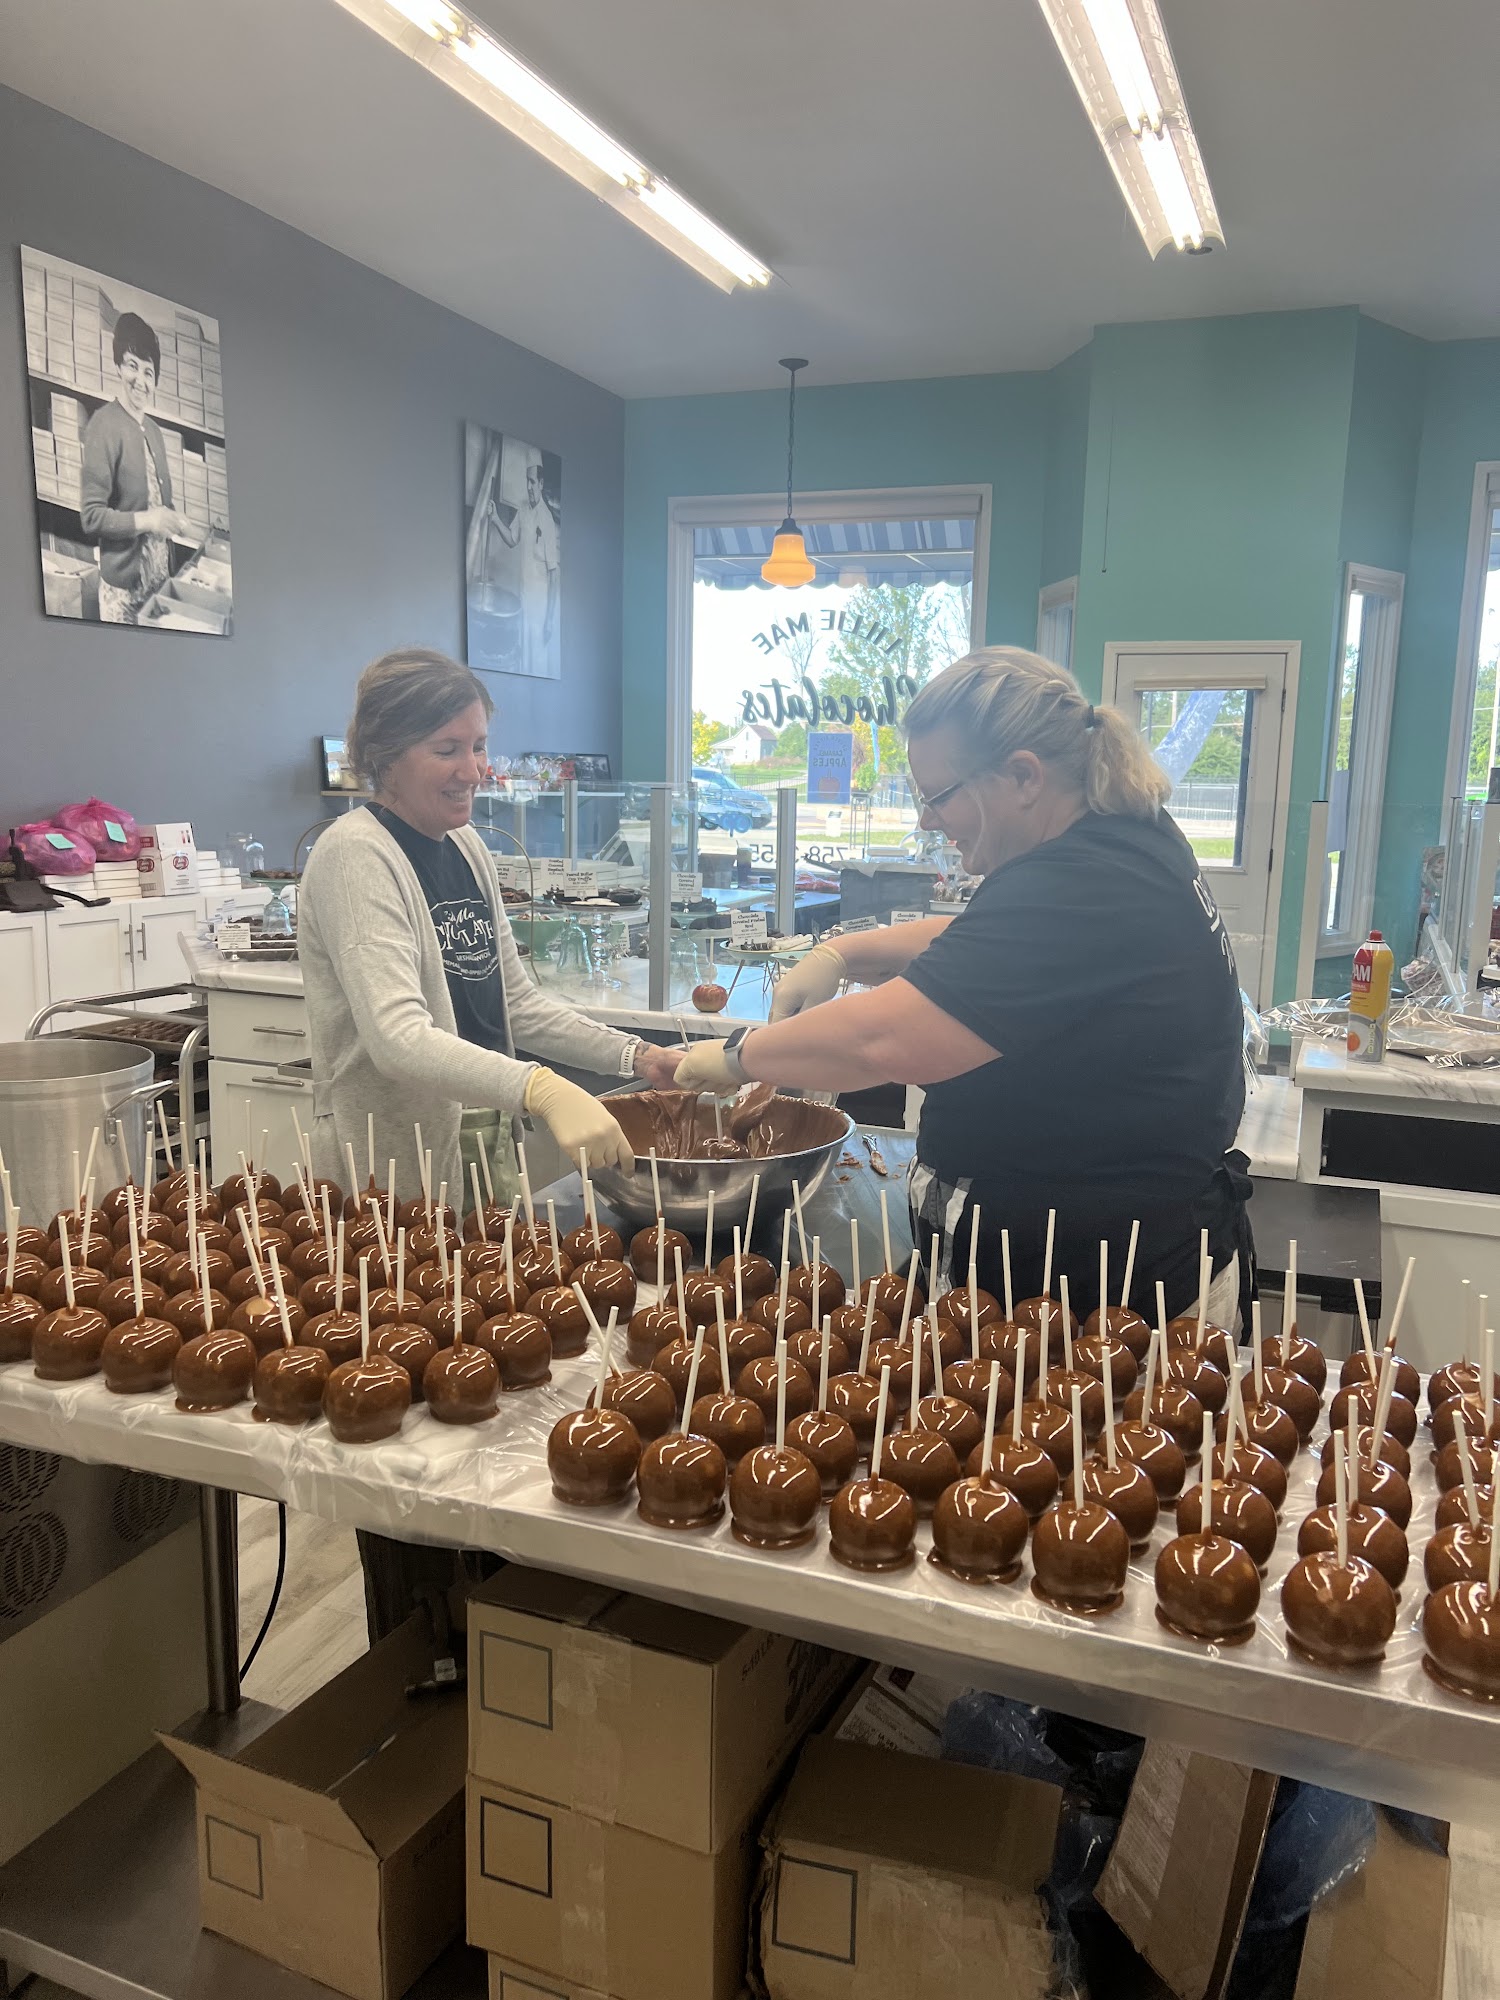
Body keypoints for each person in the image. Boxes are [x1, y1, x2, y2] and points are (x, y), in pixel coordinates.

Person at [676, 648, 1250, 1329]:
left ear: (1023, 776)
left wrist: (738, 1056)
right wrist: (843, 952)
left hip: (1104, 1298)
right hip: (1065, 1266)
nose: (927, 820)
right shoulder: (1121, 838)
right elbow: (996, 942)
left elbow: (883, 1041)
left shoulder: (1086, 877)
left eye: (939, 796)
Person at [299, 648, 680, 1638]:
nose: (475, 769)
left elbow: (513, 1001)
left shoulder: (462, 848)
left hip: (481, 1152)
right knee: (403, 1406)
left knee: (483, 1374)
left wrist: (635, 1056)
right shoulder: (355, 857)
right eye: (448, 748)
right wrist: (542, 1087)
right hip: (394, 1176)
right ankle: (419, 1640)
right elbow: (397, 1034)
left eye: (479, 745)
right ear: (384, 752)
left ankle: (496, 1615)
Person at [78, 311, 191, 624]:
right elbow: (91, 517)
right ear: (118, 365)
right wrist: (149, 519)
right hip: (123, 597)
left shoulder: (154, 431)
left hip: (158, 589)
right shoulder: (103, 424)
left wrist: (174, 519)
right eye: (132, 366)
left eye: (148, 372)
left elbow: (158, 501)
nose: (140, 380)